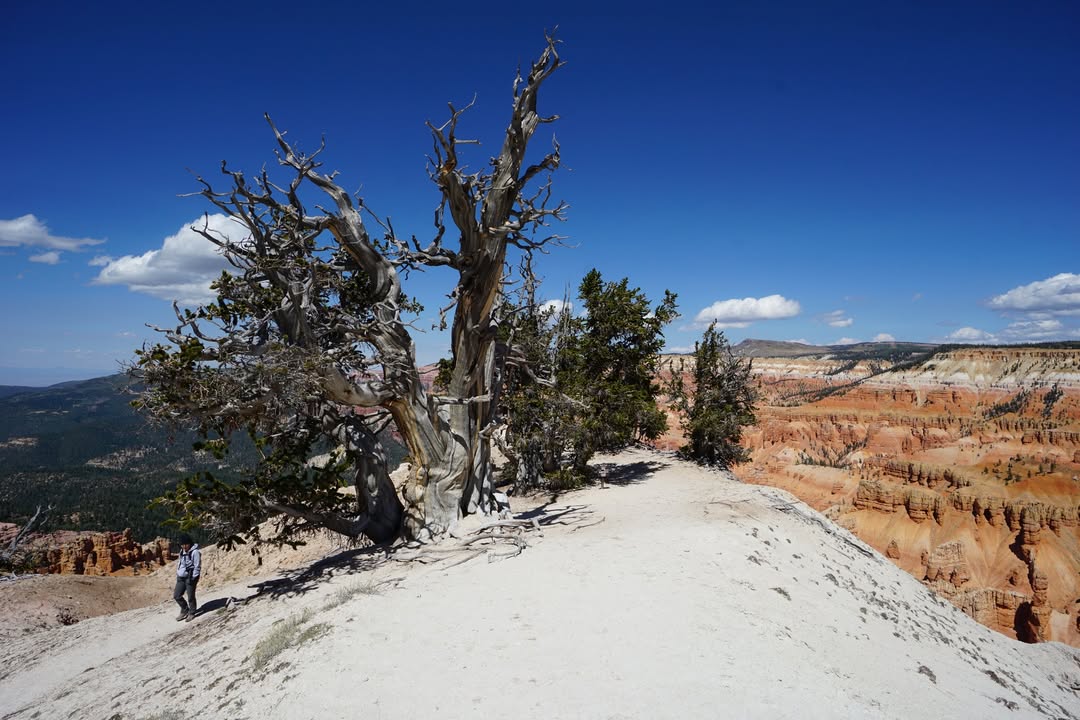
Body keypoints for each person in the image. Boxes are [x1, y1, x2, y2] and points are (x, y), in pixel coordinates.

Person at [173, 533, 201, 621]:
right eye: (182, 544)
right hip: (181, 576)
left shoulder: (195, 552)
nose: (184, 546)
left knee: (190, 596)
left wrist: (194, 577)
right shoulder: (182, 551)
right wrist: (179, 572)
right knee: (177, 595)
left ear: (190, 543)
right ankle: (185, 610)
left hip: (190, 576)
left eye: (186, 544)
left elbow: (197, 566)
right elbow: (180, 562)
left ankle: (192, 612)